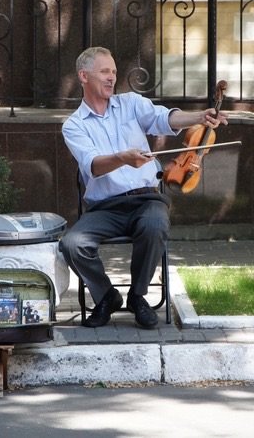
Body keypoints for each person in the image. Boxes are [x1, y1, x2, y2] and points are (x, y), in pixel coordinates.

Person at [61, 46, 227, 329]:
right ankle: (107, 296)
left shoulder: (131, 103)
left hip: (147, 199)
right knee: (72, 244)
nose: (112, 77)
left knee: (154, 226)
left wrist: (199, 117)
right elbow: (94, 165)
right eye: (104, 71)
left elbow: (164, 119)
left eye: (113, 71)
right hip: (105, 207)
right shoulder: (73, 125)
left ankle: (138, 296)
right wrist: (122, 158)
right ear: (83, 76)